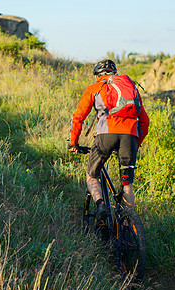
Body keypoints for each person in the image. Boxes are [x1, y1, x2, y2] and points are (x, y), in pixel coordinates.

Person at [68, 59, 150, 218]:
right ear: (115, 73)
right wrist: (136, 144)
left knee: (92, 176)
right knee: (127, 185)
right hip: (130, 137)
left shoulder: (94, 88)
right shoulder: (131, 88)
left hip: (106, 135)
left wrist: (74, 143)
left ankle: (101, 206)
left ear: (97, 75)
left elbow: (78, 118)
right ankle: (128, 225)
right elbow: (145, 122)